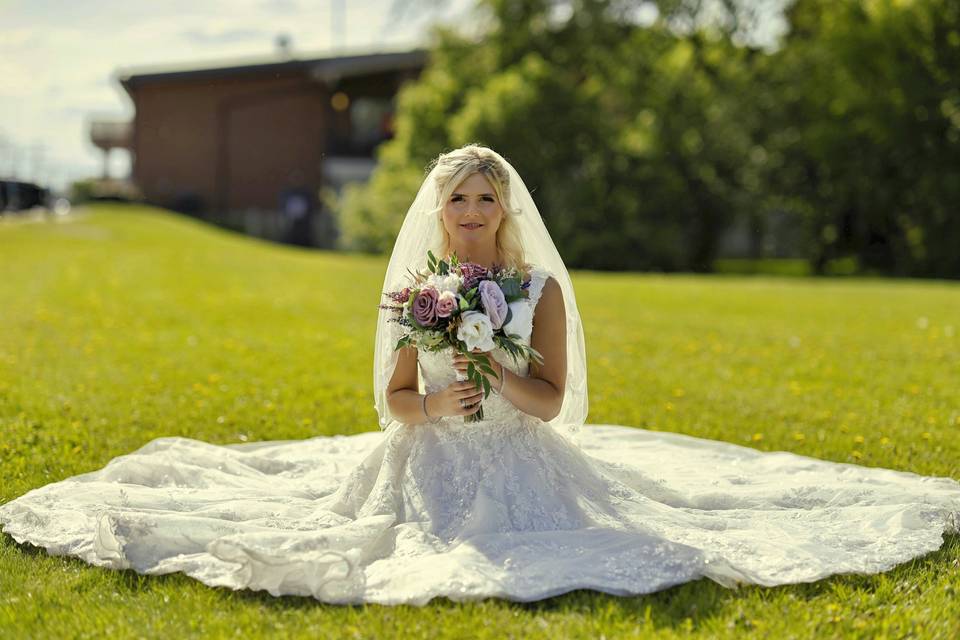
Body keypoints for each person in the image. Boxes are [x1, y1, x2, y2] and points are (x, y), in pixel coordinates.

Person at [1, 144, 959, 606]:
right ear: (438, 209)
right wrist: (431, 402)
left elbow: (549, 402)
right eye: (454, 196)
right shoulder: (419, 288)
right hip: (422, 460)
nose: (467, 208)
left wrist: (495, 381)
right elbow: (392, 399)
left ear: (503, 209)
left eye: (482, 196)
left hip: (516, 457)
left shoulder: (534, 286)